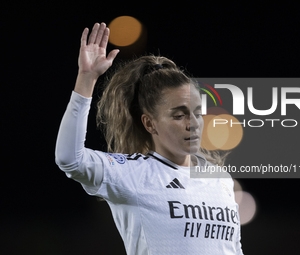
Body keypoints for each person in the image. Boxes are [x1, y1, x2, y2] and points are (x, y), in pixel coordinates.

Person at [55, 22, 244, 255]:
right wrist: (86, 78)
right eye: (179, 115)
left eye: (197, 113)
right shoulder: (133, 175)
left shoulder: (220, 179)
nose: (193, 123)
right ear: (149, 123)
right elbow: (69, 159)